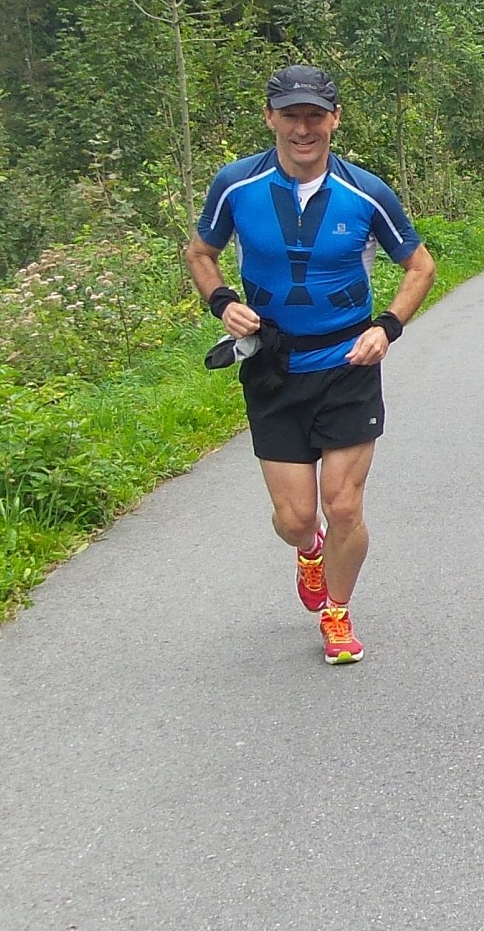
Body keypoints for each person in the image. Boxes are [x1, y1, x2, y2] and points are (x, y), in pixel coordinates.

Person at [185, 64, 436, 665]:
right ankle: (309, 550)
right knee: (296, 517)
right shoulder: (234, 186)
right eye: (291, 115)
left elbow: (420, 267)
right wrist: (223, 305)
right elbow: (200, 253)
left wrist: (387, 327)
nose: (304, 128)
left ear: (334, 120)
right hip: (274, 365)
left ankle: (338, 613)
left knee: (344, 504)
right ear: (270, 117)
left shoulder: (367, 191)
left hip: (348, 361)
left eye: (315, 116)